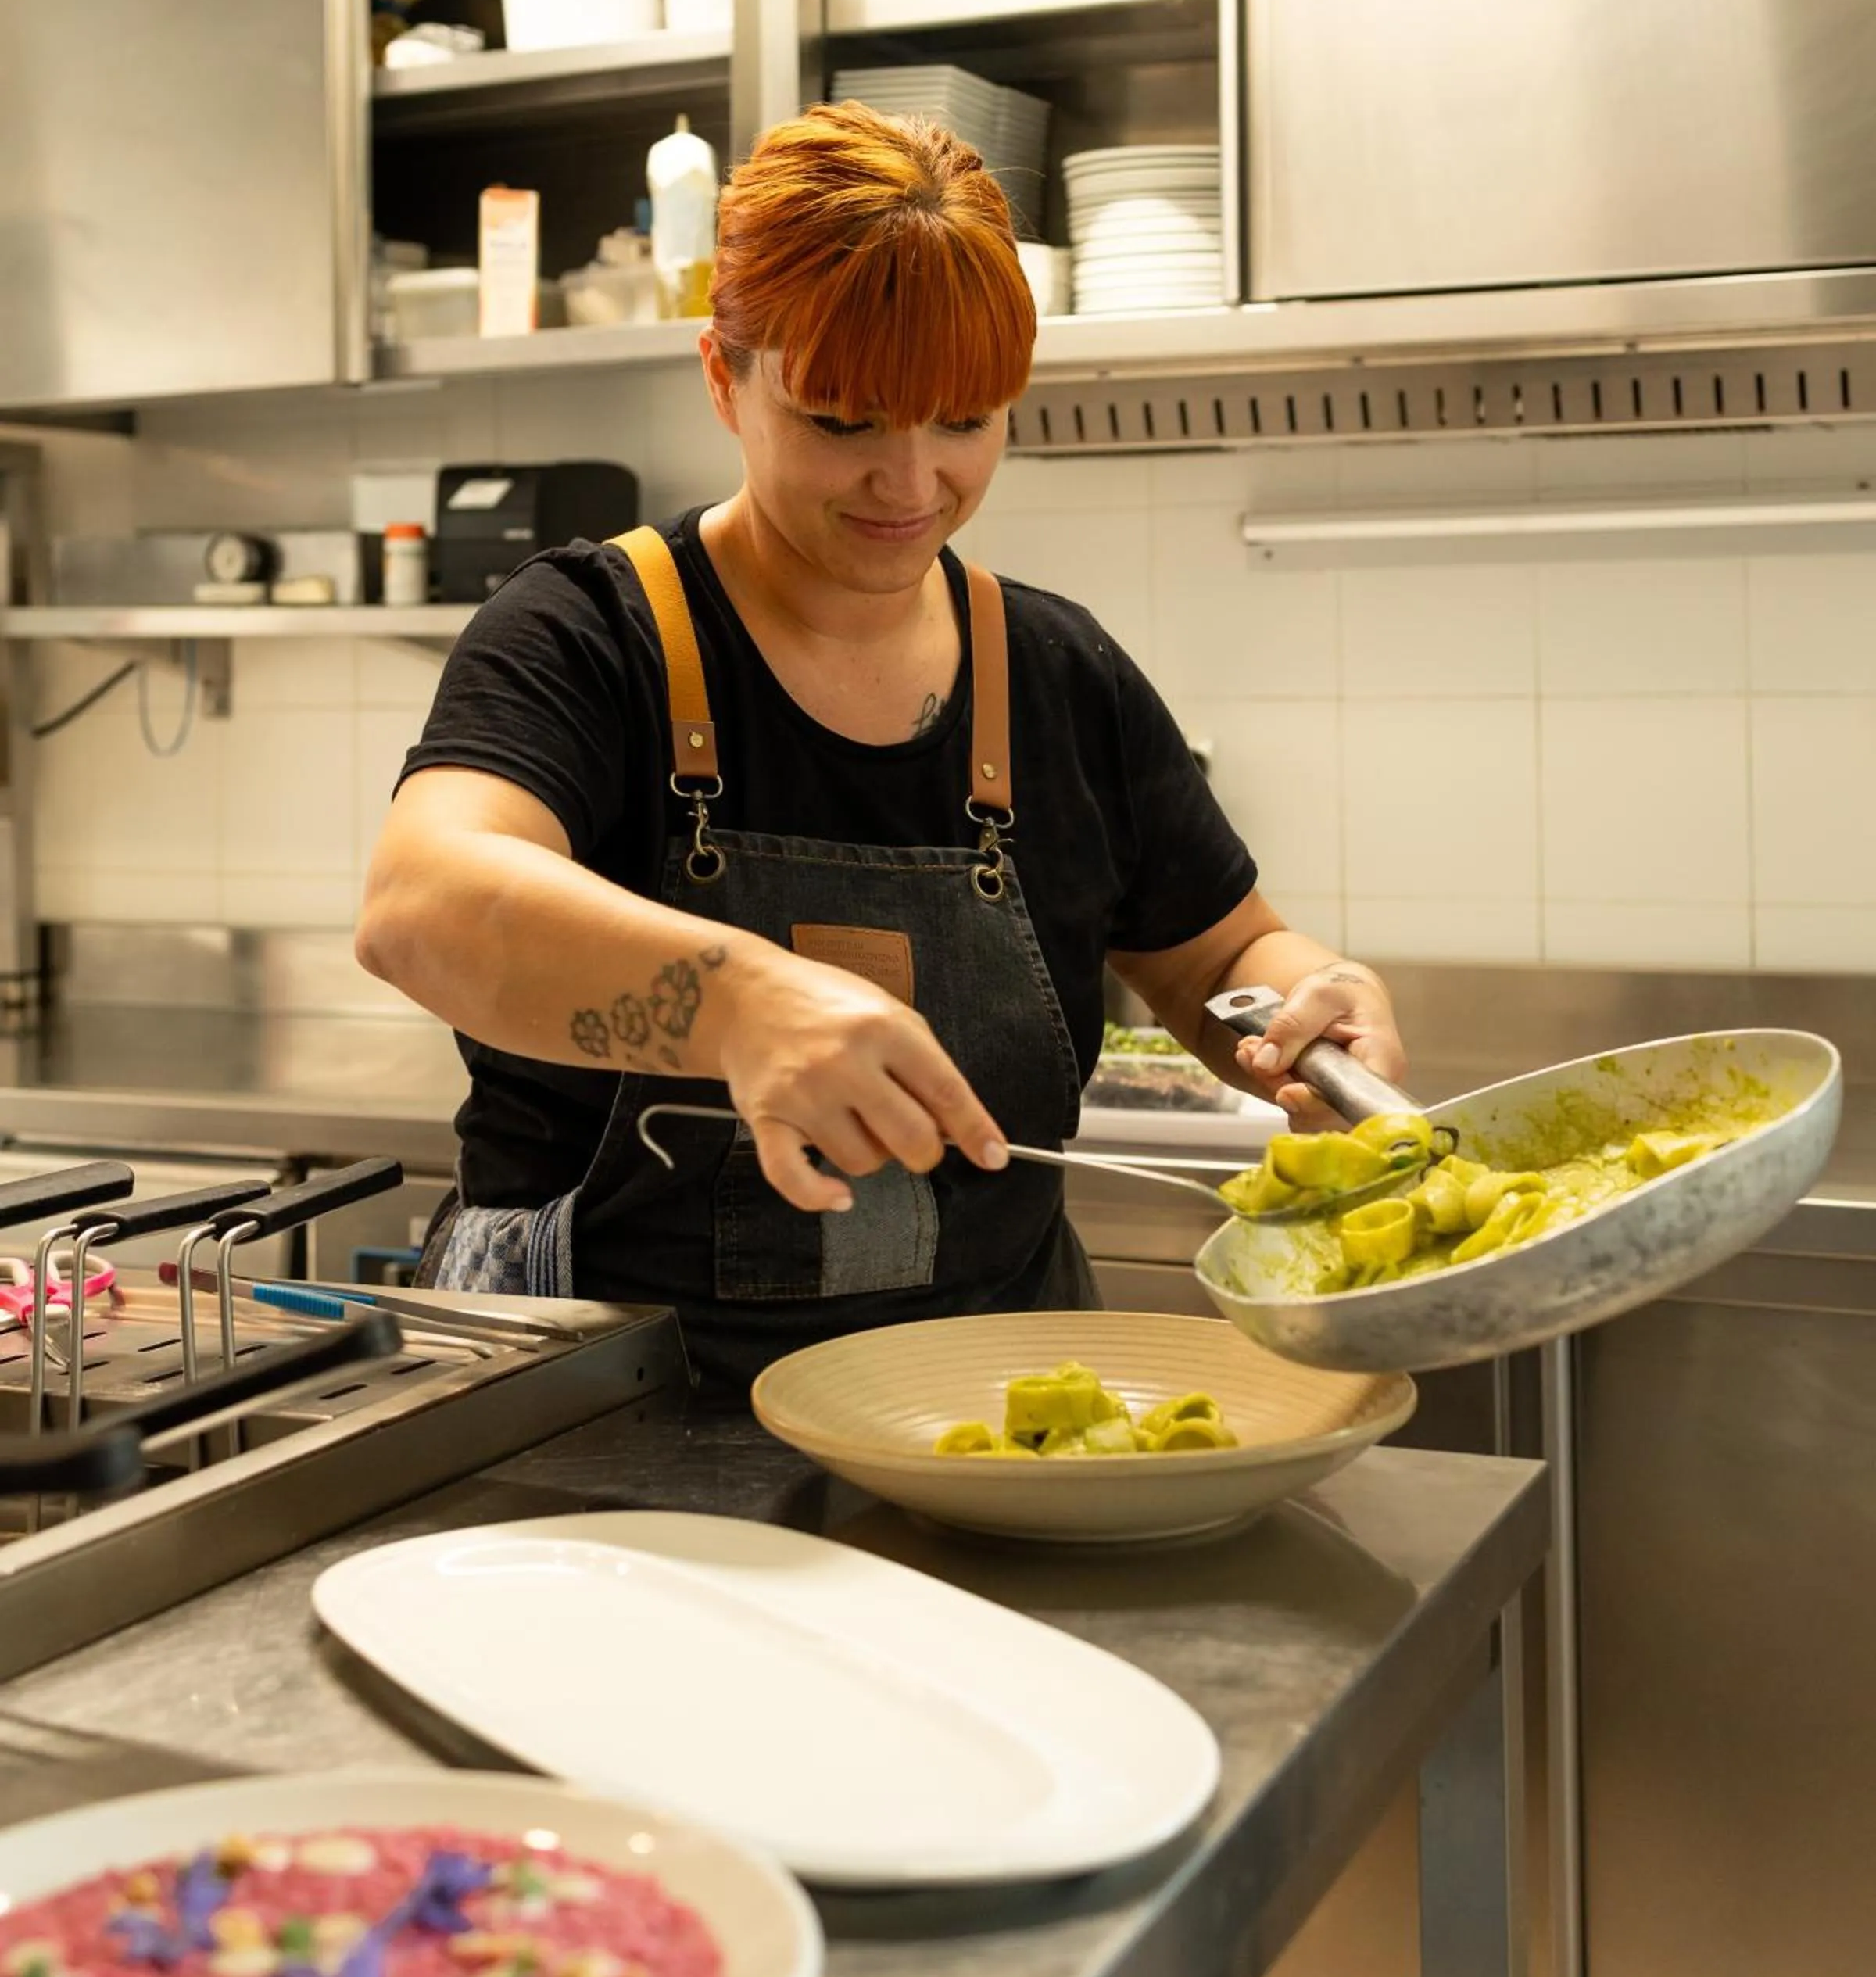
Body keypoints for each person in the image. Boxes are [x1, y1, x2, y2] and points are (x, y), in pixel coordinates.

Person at [356, 103, 1408, 1383]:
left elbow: (1225, 954)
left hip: (990, 1401)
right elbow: (424, 905)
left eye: (963, 422)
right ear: (722, 377)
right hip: (600, 1424)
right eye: (844, 424)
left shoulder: (1056, 675)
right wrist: (740, 1008)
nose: (911, 487)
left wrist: (1317, 1001)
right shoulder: (588, 635)